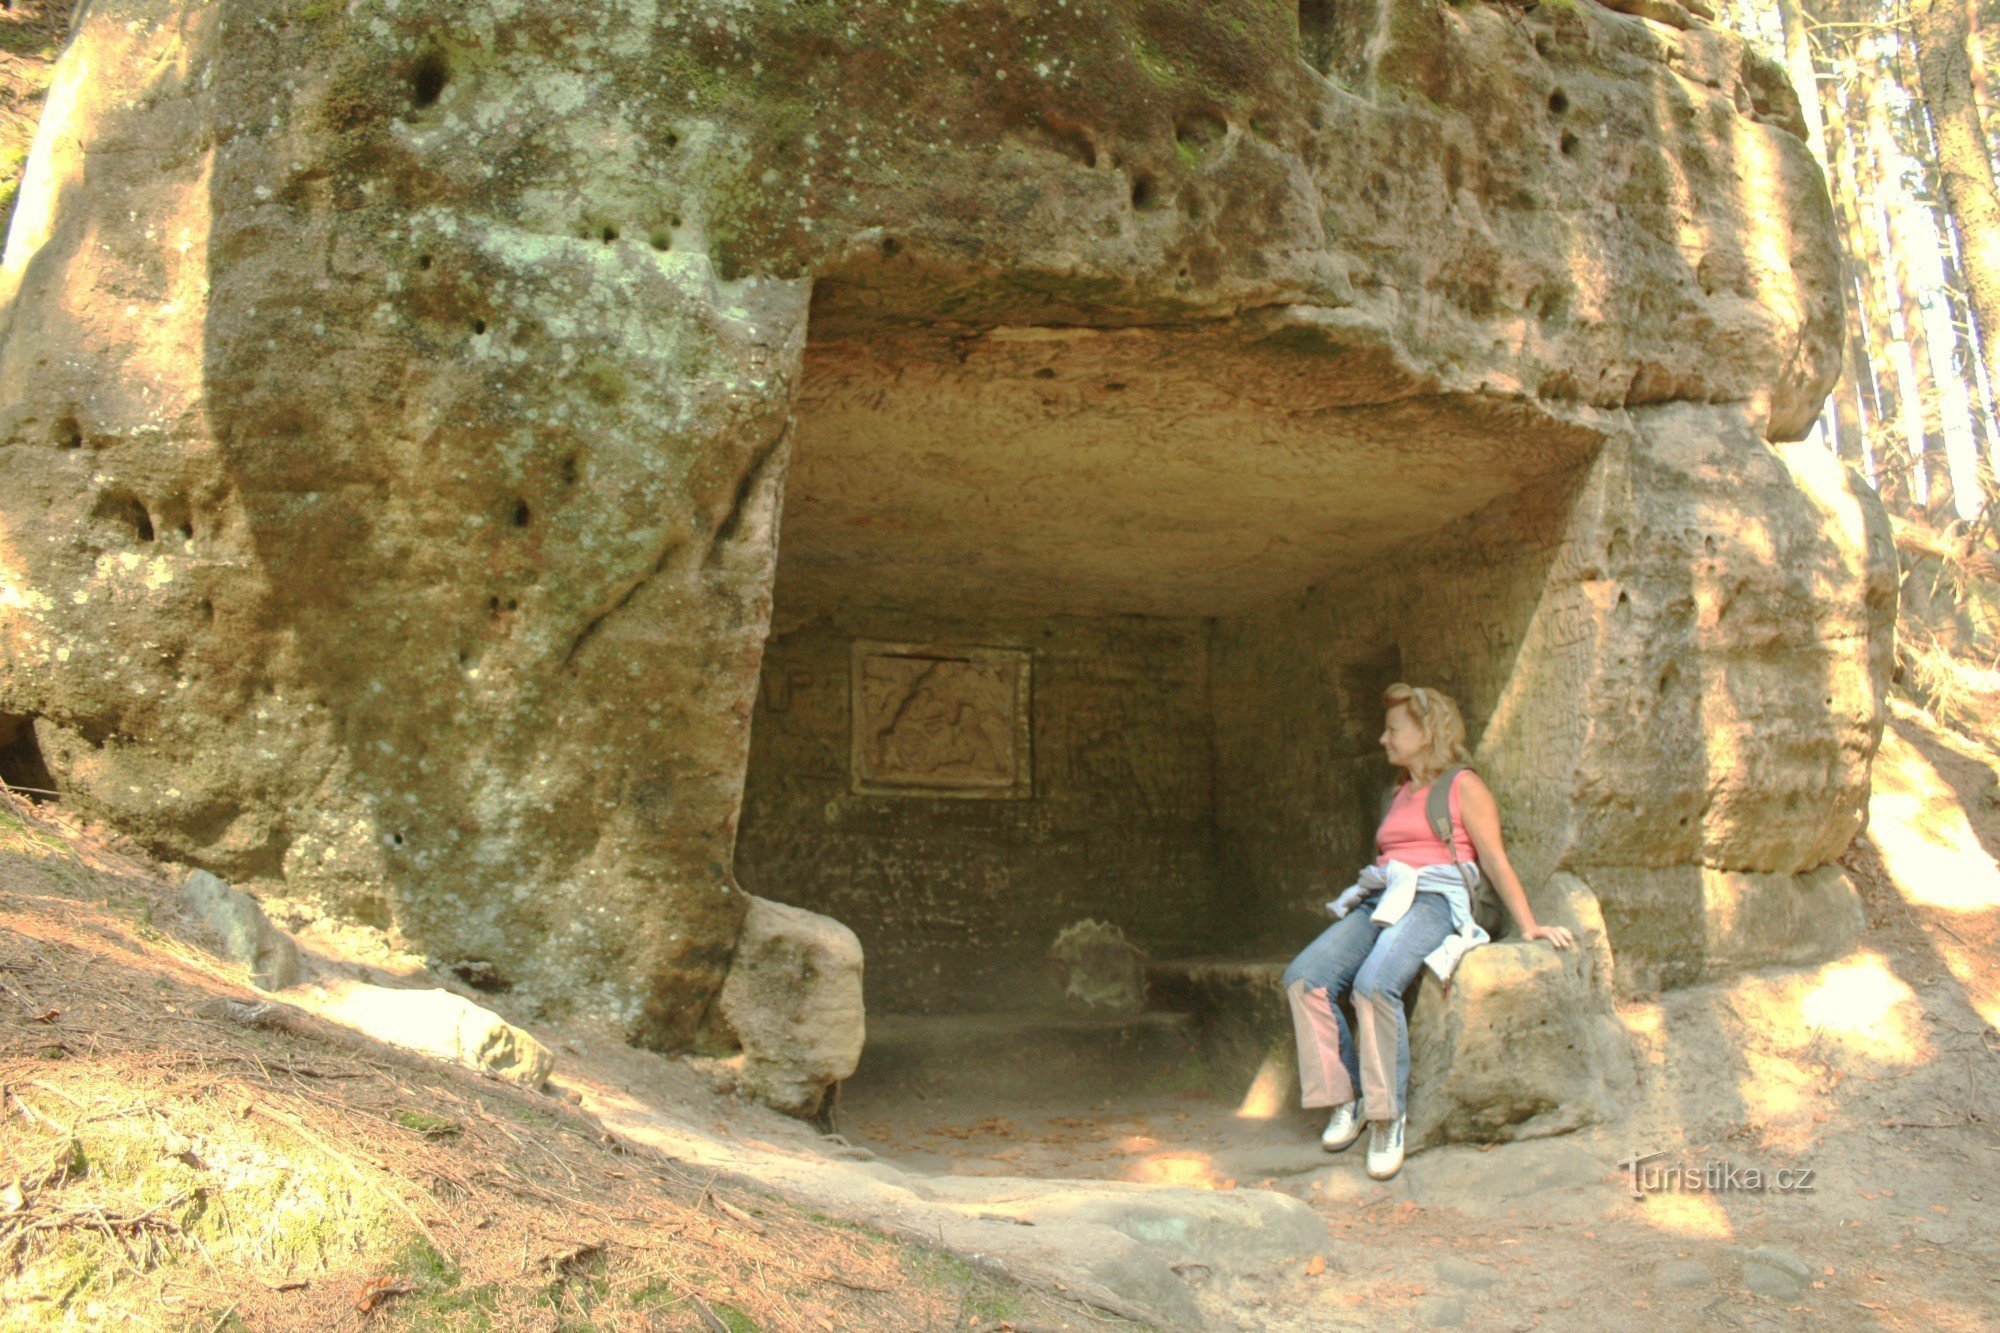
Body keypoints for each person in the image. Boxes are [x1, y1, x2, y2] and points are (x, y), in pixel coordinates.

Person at [1281, 683, 1574, 1180]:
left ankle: (1386, 1114)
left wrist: (1530, 926)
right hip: (1384, 896)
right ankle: (1344, 1098)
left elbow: (1495, 859)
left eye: (1393, 730)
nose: (1382, 739)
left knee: (1375, 985)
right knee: (1305, 977)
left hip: (1436, 899)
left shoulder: (1463, 786)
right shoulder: (1394, 794)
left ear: (1427, 732)